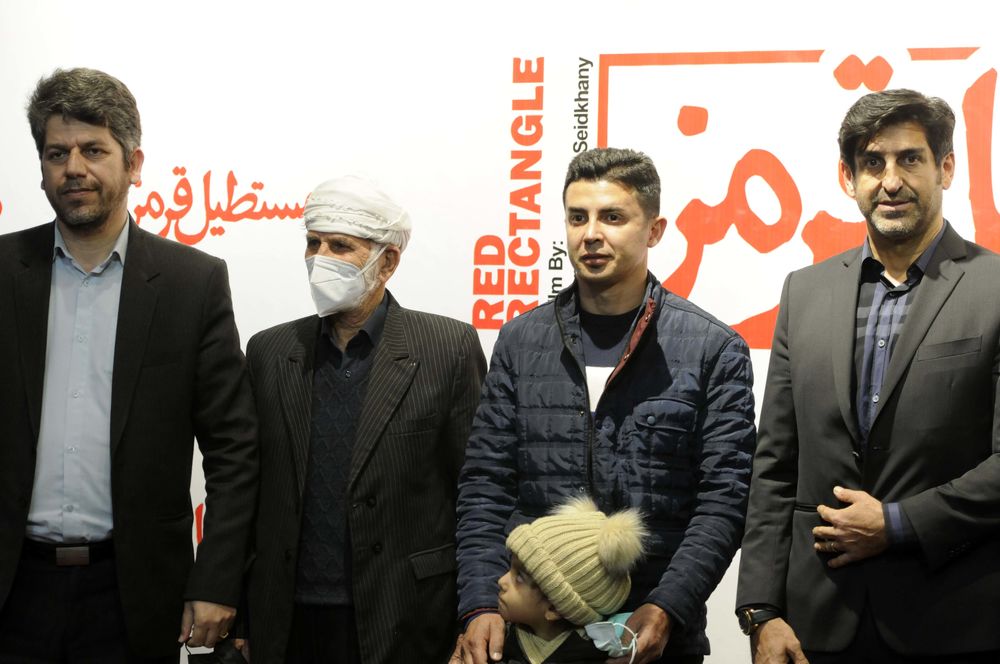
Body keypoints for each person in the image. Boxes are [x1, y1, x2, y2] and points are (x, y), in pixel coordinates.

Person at [455, 147, 756, 664]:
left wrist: (667, 606)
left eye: (612, 217)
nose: (591, 234)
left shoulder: (713, 349)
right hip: (530, 639)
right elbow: (486, 483)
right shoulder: (520, 341)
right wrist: (481, 600)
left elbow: (723, 501)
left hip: (653, 638)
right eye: (578, 217)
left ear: (654, 231)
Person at [0, 68, 258, 662]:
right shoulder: (4, 273)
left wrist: (217, 580)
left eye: (94, 150)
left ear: (134, 164)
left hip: (134, 594)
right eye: (57, 153)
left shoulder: (192, 284)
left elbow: (234, 450)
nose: (74, 168)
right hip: (12, 588)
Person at [736, 89, 1000, 663]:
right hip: (816, 626)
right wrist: (760, 609)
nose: (891, 181)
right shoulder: (804, 293)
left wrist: (897, 523)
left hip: (953, 621)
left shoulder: (993, 287)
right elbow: (775, 465)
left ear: (946, 168)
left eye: (911, 159)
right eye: (873, 163)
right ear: (848, 177)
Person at [240, 176, 486, 663]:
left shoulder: (447, 348)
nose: (320, 258)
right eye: (313, 243)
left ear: (387, 261)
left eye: (340, 246)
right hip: (287, 620)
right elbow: (247, 490)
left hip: (406, 616)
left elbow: (476, 490)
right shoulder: (269, 350)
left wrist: (476, 609)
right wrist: (241, 614)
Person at [493, 497, 646, 664]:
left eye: (519, 577)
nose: (501, 581)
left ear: (554, 608)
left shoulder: (591, 656)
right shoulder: (499, 637)